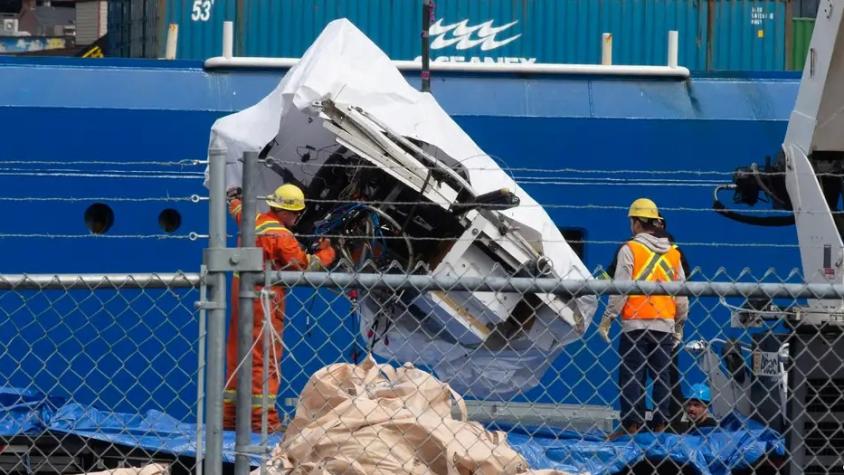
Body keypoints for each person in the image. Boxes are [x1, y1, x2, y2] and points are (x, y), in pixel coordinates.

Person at [224, 183, 336, 432]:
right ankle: (263, 422)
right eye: (295, 212)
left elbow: (237, 209)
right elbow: (306, 267)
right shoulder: (281, 236)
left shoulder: (252, 219)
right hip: (264, 299)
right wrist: (327, 252)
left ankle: (229, 420)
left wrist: (233, 199)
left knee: (237, 356)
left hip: (240, 291)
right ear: (284, 211)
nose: (297, 217)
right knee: (264, 360)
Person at [598, 198, 689, 440]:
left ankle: (631, 426)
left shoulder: (630, 249)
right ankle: (660, 427)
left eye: (631, 220)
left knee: (632, 376)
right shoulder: (673, 253)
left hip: (635, 325)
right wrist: (680, 323)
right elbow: (681, 291)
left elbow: (621, 288)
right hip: (664, 324)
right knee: (662, 377)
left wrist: (608, 317)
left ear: (637, 222)